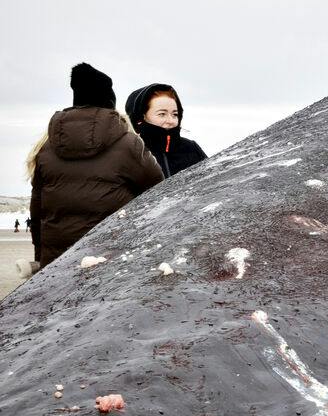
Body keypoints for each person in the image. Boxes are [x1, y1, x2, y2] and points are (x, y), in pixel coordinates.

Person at [27, 63, 164, 268]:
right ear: (110, 102)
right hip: (109, 259)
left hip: (55, 263)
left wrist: (40, 257)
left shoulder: (46, 148)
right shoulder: (128, 144)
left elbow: (37, 209)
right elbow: (159, 190)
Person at [125, 83, 209, 178]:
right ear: (140, 118)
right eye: (162, 114)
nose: (170, 121)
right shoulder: (129, 155)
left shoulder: (191, 148)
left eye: (175, 114)